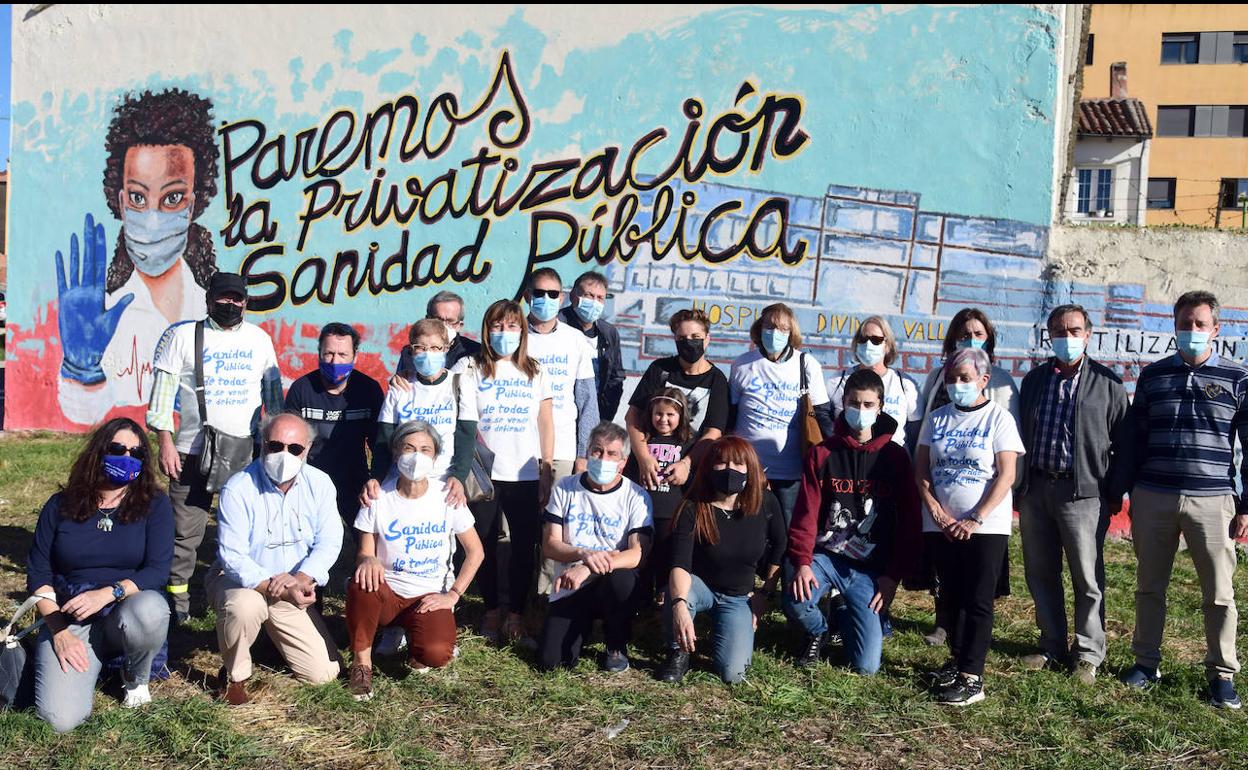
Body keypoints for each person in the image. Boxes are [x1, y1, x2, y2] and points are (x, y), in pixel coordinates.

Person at [56, 88, 220, 425]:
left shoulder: (213, 308)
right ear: (119, 200)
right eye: (138, 197)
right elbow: (82, 417)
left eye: (173, 197)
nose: (154, 219)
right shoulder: (104, 313)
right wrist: (81, 366)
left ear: (195, 201)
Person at [1119, 291, 1248, 709]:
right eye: (1183, 323)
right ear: (1173, 325)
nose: (1190, 331)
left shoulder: (1238, 378)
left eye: (1198, 324)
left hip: (1212, 501)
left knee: (1218, 593)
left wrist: (1246, 506)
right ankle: (1146, 663)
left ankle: (1222, 674)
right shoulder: (1153, 376)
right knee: (1149, 587)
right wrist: (1133, 492)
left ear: (1215, 328)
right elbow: (1136, 439)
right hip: (1154, 495)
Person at [147, 271, 283, 623]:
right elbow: (161, 399)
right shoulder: (182, 336)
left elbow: (274, 402)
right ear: (209, 300)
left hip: (245, 453)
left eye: (236, 299)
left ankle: (229, 593)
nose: (229, 304)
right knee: (185, 531)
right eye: (222, 298)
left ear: (246, 302)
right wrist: (165, 442)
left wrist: (274, 448)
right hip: (192, 451)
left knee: (244, 529)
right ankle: (177, 600)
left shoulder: (259, 340)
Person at [26, 418, 174, 732]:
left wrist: (109, 593)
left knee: (151, 609)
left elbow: (158, 570)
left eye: (136, 453)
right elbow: (38, 572)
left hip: (125, 609)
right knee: (59, 720)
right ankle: (90, 663)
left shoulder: (155, 505)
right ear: (99, 451)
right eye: (117, 449)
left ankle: (134, 679)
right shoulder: (59, 506)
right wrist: (60, 633)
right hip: (72, 618)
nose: (127, 457)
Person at [1017, 304, 1128, 685]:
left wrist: (1113, 492)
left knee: (1086, 577)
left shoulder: (1108, 383)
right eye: (1059, 332)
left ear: (1088, 334)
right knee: (1040, 572)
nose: (1067, 338)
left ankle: (1088, 652)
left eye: (1075, 330)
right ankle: (1051, 643)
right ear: (1049, 335)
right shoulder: (1033, 381)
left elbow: (1122, 443)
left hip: (1083, 493)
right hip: (1036, 489)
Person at [784, 369, 922, 674]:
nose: (860, 411)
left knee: (866, 667)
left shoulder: (895, 457)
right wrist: (803, 562)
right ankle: (817, 629)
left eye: (868, 405)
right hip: (826, 558)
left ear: (880, 407)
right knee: (795, 600)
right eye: (854, 403)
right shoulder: (822, 453)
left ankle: (845, 612)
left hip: (870, 570)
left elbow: (910, 523)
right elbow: (805, 513)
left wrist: (892, 577)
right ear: (843, 403)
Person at [207, 413, 343, 705]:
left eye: (295, 449)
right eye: (275, 446)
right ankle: (235, 677)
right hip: (243, 583)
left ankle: (264, 640)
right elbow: (232, 557)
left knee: (324, 673)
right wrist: (277, 585)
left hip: (292, 585)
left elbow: (329, 541)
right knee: (245, 607)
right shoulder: (237, 487)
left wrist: (303, 578)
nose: (285, 454)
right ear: (262, 444)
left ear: (307, 450)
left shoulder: (320, 484)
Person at [345, 420, 485, 701]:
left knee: (436, 654)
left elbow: (476, 552)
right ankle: (362, 665)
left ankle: (416, 644)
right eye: (408, 448)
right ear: (396, 454)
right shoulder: (377, 496)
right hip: (388, 592)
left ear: (435, 457)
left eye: (425, 449)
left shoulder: (447, 496)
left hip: (429, 596)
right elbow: (364, 551)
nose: (416, 456)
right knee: (361, 582)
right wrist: (368, 560)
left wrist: (453, 596)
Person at [915, 347, 1024, 706]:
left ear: (983, 380)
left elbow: (1006, 474)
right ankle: (957, 659)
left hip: (985, 526)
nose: (957, 384)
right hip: (941, 525)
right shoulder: (937, 419)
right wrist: (935, 511)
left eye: (965, 378)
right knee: (950, 596)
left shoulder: (999, 419)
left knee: (978, 599)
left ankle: (973, 676)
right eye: (951, 378)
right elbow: (922, 471)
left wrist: (976, 517)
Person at [457, 299, 555, 644]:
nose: (504, 333)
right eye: (497, 326)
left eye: (512, 326)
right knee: (482, 543)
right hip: (483, 474)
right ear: (487, 330)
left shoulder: (535, 370)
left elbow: (545, 420)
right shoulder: (470, 366)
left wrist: (546, 466)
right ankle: (491, 610)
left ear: (522, 331)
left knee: (524, 545)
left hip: (525, 473)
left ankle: (515, 613)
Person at [658, 436, 785, 684]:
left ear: (750, 468)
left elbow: (780, 546)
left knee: (734, 674)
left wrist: (765, 594)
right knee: (679, 593)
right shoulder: (693, 507)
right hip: (700, 586)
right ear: (709, 467)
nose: (730, 470)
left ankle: (719, 631)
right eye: (722, 463)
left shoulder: (766, 502)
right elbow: (680, 563)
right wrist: (679, 605)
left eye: (738, 464)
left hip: (738, 596)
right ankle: (678, 651)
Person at [537, 423, 653, 673]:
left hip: (609, 582)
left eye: (612, 454)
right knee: (552, 662)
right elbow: (550, 545)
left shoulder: (637, 496)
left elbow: (636, 555)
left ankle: (616, 644)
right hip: (570, 585)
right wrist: (583, 554)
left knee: (623, 580)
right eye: (597, 451)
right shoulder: (566, 487)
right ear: (588, 453)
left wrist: (587, 567)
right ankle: (583, 626)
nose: (603, 458)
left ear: (623, 461)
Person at [728, 303, 834, 526]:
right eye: (769, 326)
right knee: (747, 528)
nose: (775, 333)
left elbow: (822, 414)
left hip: (790, 470)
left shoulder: (807, 364)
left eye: (782, 329)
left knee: (786, 530)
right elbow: (731, 413)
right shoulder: (742, 364)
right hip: (748, 467)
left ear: (791, 333)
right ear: (759, 329)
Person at [284, 322, 383, 527]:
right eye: (328, 353)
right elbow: (288, 444)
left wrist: (377, 479)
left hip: (355, 478)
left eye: (342, 355)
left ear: (355, 356)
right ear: (319, 353)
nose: (334, 360)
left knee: (369, 540)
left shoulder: (369, 390)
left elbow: (379, 443)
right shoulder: (301, 389)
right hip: (309, 479)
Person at [625, 308, 730, 494]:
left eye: (695, 336)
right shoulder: (660, 369)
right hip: (644, 475)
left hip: (686, 480)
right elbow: (633, 417)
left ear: (707, 339)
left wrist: (686, 464)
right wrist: (643, 458)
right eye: (682, 338)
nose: (689, 343)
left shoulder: (717, 379)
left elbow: (713, 432)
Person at [371, 319, 472, 504]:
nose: (428, 354)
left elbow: (466, 437)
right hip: (402, 482)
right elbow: (384, 439)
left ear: (446, 349)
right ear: (410, 350)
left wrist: (458, 477)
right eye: (421, 347)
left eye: (435, 348)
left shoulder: (460, 384)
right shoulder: (400, 387)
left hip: (444, 483)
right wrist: (377, 478)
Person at [523, 267, 600, 480]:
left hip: (562, 451)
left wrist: (584, 454)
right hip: (518, 452)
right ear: (527, 296)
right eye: (539, 293)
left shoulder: (575, 340)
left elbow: (587, 400)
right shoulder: (514, 336)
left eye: (553, 294)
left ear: (561, 298)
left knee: (554, 514)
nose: (546, 299)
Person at [622, 387, 695, 604]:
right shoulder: (643, 443)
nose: (663, 419)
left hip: (671, 512)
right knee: (644, 556)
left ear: (681, 417)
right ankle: (640, 599)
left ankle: (664, 596)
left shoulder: (689, 442)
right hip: (643, 512)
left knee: (666, 555)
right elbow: (629, 476)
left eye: (670, 415)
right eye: (658, 414)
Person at [826, 316, 922, 449]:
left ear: (887, 346)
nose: (868, 345)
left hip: (892, 461)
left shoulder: (905, 384)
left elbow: (916, 434)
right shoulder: (836, 382)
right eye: (863, 339)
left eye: (876, 340)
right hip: (845, 459)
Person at [561, 270, 624, 422]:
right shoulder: (558, 326)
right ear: (573, 296)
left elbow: (616, 378)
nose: (594, 302)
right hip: (561, 415)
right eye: (589, 295)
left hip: (594, 416)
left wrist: (604, 417)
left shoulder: (609, 333)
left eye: (600, 298)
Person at [392, 290, 482, 380]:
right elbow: (401, 383)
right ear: (427, 319)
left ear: (459, 325)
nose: (442, 326)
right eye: (437, 320)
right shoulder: (410, 353)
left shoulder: (475, 353)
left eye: (450, 321)